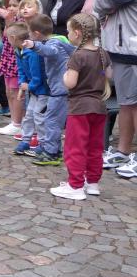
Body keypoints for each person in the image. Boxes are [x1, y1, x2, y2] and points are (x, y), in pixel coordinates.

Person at [50, 13, 111, 200]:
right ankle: (92, 183)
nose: (67, 34)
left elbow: (70, 83)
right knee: (95, 147)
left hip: (79, 108)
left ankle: (75, 185)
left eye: (68, 31)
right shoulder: (102, 53)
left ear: (77, 33)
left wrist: (65, 75)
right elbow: (109, 75)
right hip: (99, 107)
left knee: (75, 147)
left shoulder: (78, 55)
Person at [97, 0, 137, 175]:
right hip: (125, 52)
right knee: (126, 104)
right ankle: (122, 152)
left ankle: (128, 153)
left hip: (132, 51)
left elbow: (101, 4)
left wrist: (106, 7)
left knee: (133, 105)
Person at [23, 14, 74, 166]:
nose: (29, 36)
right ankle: (54, 149)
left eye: (30, 33)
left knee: (51, 121)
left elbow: (50, 51)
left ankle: (52, 153)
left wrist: (34, 45)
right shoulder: (58, 41)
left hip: (59, 90)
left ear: (37, 34)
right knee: (52, 120)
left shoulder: (54, 43)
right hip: (58, 89)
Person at [8, 23, 50, 159]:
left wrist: (29, 87)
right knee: (29, 116)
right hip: (33, 91)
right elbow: (21, 71)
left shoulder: (32, 53)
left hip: (43, 91)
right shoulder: (18, 51)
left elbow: (38, 76)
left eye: (8, 38)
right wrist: (22, 86)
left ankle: (43, 144)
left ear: (13, 38)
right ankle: (26, 141)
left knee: (39, 117)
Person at [0, 0, 24, 136]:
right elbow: (5, 38)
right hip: (7, 58)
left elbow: (13, 37)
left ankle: (18, 123)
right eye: (10, 5)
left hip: (15, 60)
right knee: (9, 91)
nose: (11, 8)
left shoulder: (21, 22)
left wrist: (8, 20)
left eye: (15, 5)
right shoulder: (11, 20)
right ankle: (14, 121)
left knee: (15, 92)